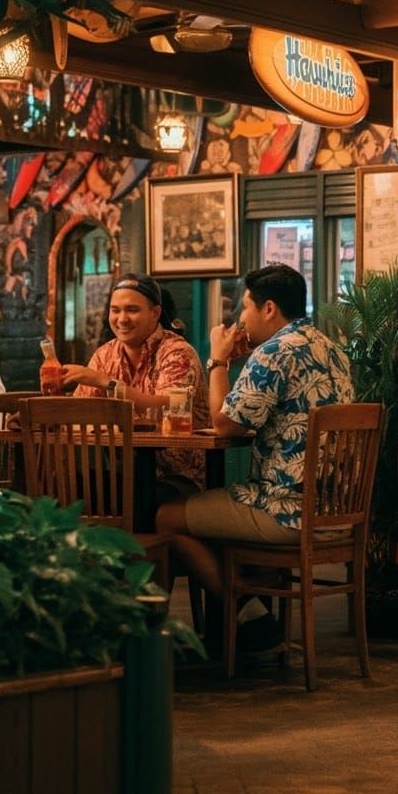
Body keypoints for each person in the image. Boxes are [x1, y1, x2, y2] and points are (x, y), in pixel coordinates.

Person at [156, 263, 354, 651]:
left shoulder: (274, 353)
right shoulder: (331, 349)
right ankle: (246, 623)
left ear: (268, 309)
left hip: (287, 510)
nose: (240, 319)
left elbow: (225, 425)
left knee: (167, 517)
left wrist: (218, 361)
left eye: (244, 308)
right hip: (333, 508)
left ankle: (244, 618)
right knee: (215, 519)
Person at [62, 272, 209, 497]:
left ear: (155, 313)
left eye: (132, 310)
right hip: (122, 471)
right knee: (61, 489)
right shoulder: (105, 354)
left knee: (127, 497)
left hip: (176, 476)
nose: (122, 319)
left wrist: (105, 383)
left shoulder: (178, 352)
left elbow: (167, 406)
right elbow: (80, 410)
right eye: (115, 310)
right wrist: (35, 418)